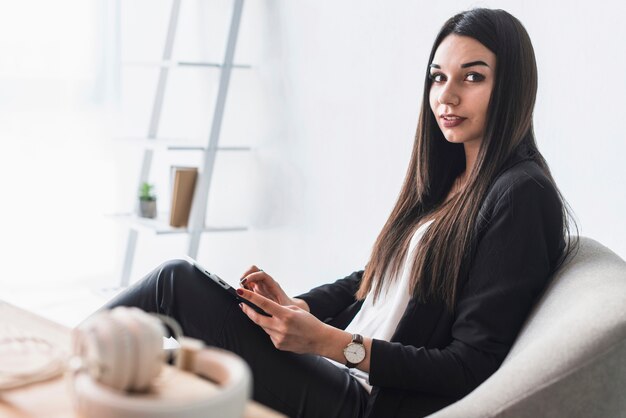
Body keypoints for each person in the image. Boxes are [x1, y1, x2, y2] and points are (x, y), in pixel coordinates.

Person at [103, 8, 578, 418]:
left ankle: (54, 364)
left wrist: (327, 342)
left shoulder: (522, 195)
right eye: (438, 76)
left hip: (369, 402)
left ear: (512, 86)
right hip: (341, 370)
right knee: (164, 355)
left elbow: (469, 365)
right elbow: (375, 280)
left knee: (176, 284)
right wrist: (299, 309)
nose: (446, 96)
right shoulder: (450, 178)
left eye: (473, 77)